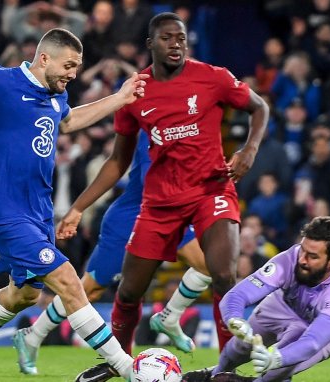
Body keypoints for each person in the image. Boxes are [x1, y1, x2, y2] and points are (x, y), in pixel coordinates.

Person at [0, 11, 147, 382]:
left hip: (38, 215)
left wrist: (119, 98)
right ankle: (128, 369)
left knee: (22, 295)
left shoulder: (58, 98)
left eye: (77, 67)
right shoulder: (1, 81)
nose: (73, 73)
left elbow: (70, 120)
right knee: (69, 281)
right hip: (5, 212)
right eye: (69, 65)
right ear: (44, 58)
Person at [58, 12, 269, 380]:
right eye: (168, 38)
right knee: (128, 291)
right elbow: (118, 159)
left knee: (222, 273)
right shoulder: (135, 92)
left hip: (211, 190)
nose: (176, 44)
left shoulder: (212, 77)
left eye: (181, 38)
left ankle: (224, 370)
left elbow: (259, 107)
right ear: (150, 44)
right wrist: (78, 206)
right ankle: (118, 362)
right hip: (159, 202)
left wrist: (249, 150)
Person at [12, 130, 214, 375]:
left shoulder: (191, 118)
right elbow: (155, 176)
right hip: (133, 216)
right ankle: (33, 335)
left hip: (171, 212)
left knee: (207, 264)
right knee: (89, 289)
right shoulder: (152, 121)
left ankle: (169, 317)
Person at [182, 216, 330, 382]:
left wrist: (275, 358)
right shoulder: (290, 258)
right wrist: (234, 318)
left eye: (312, 256)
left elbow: (313, 340)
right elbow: (238, 294)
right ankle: (215, 374)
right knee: (237, 349)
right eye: (303, 250)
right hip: (285, 305)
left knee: (277, 371)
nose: (302, 259)